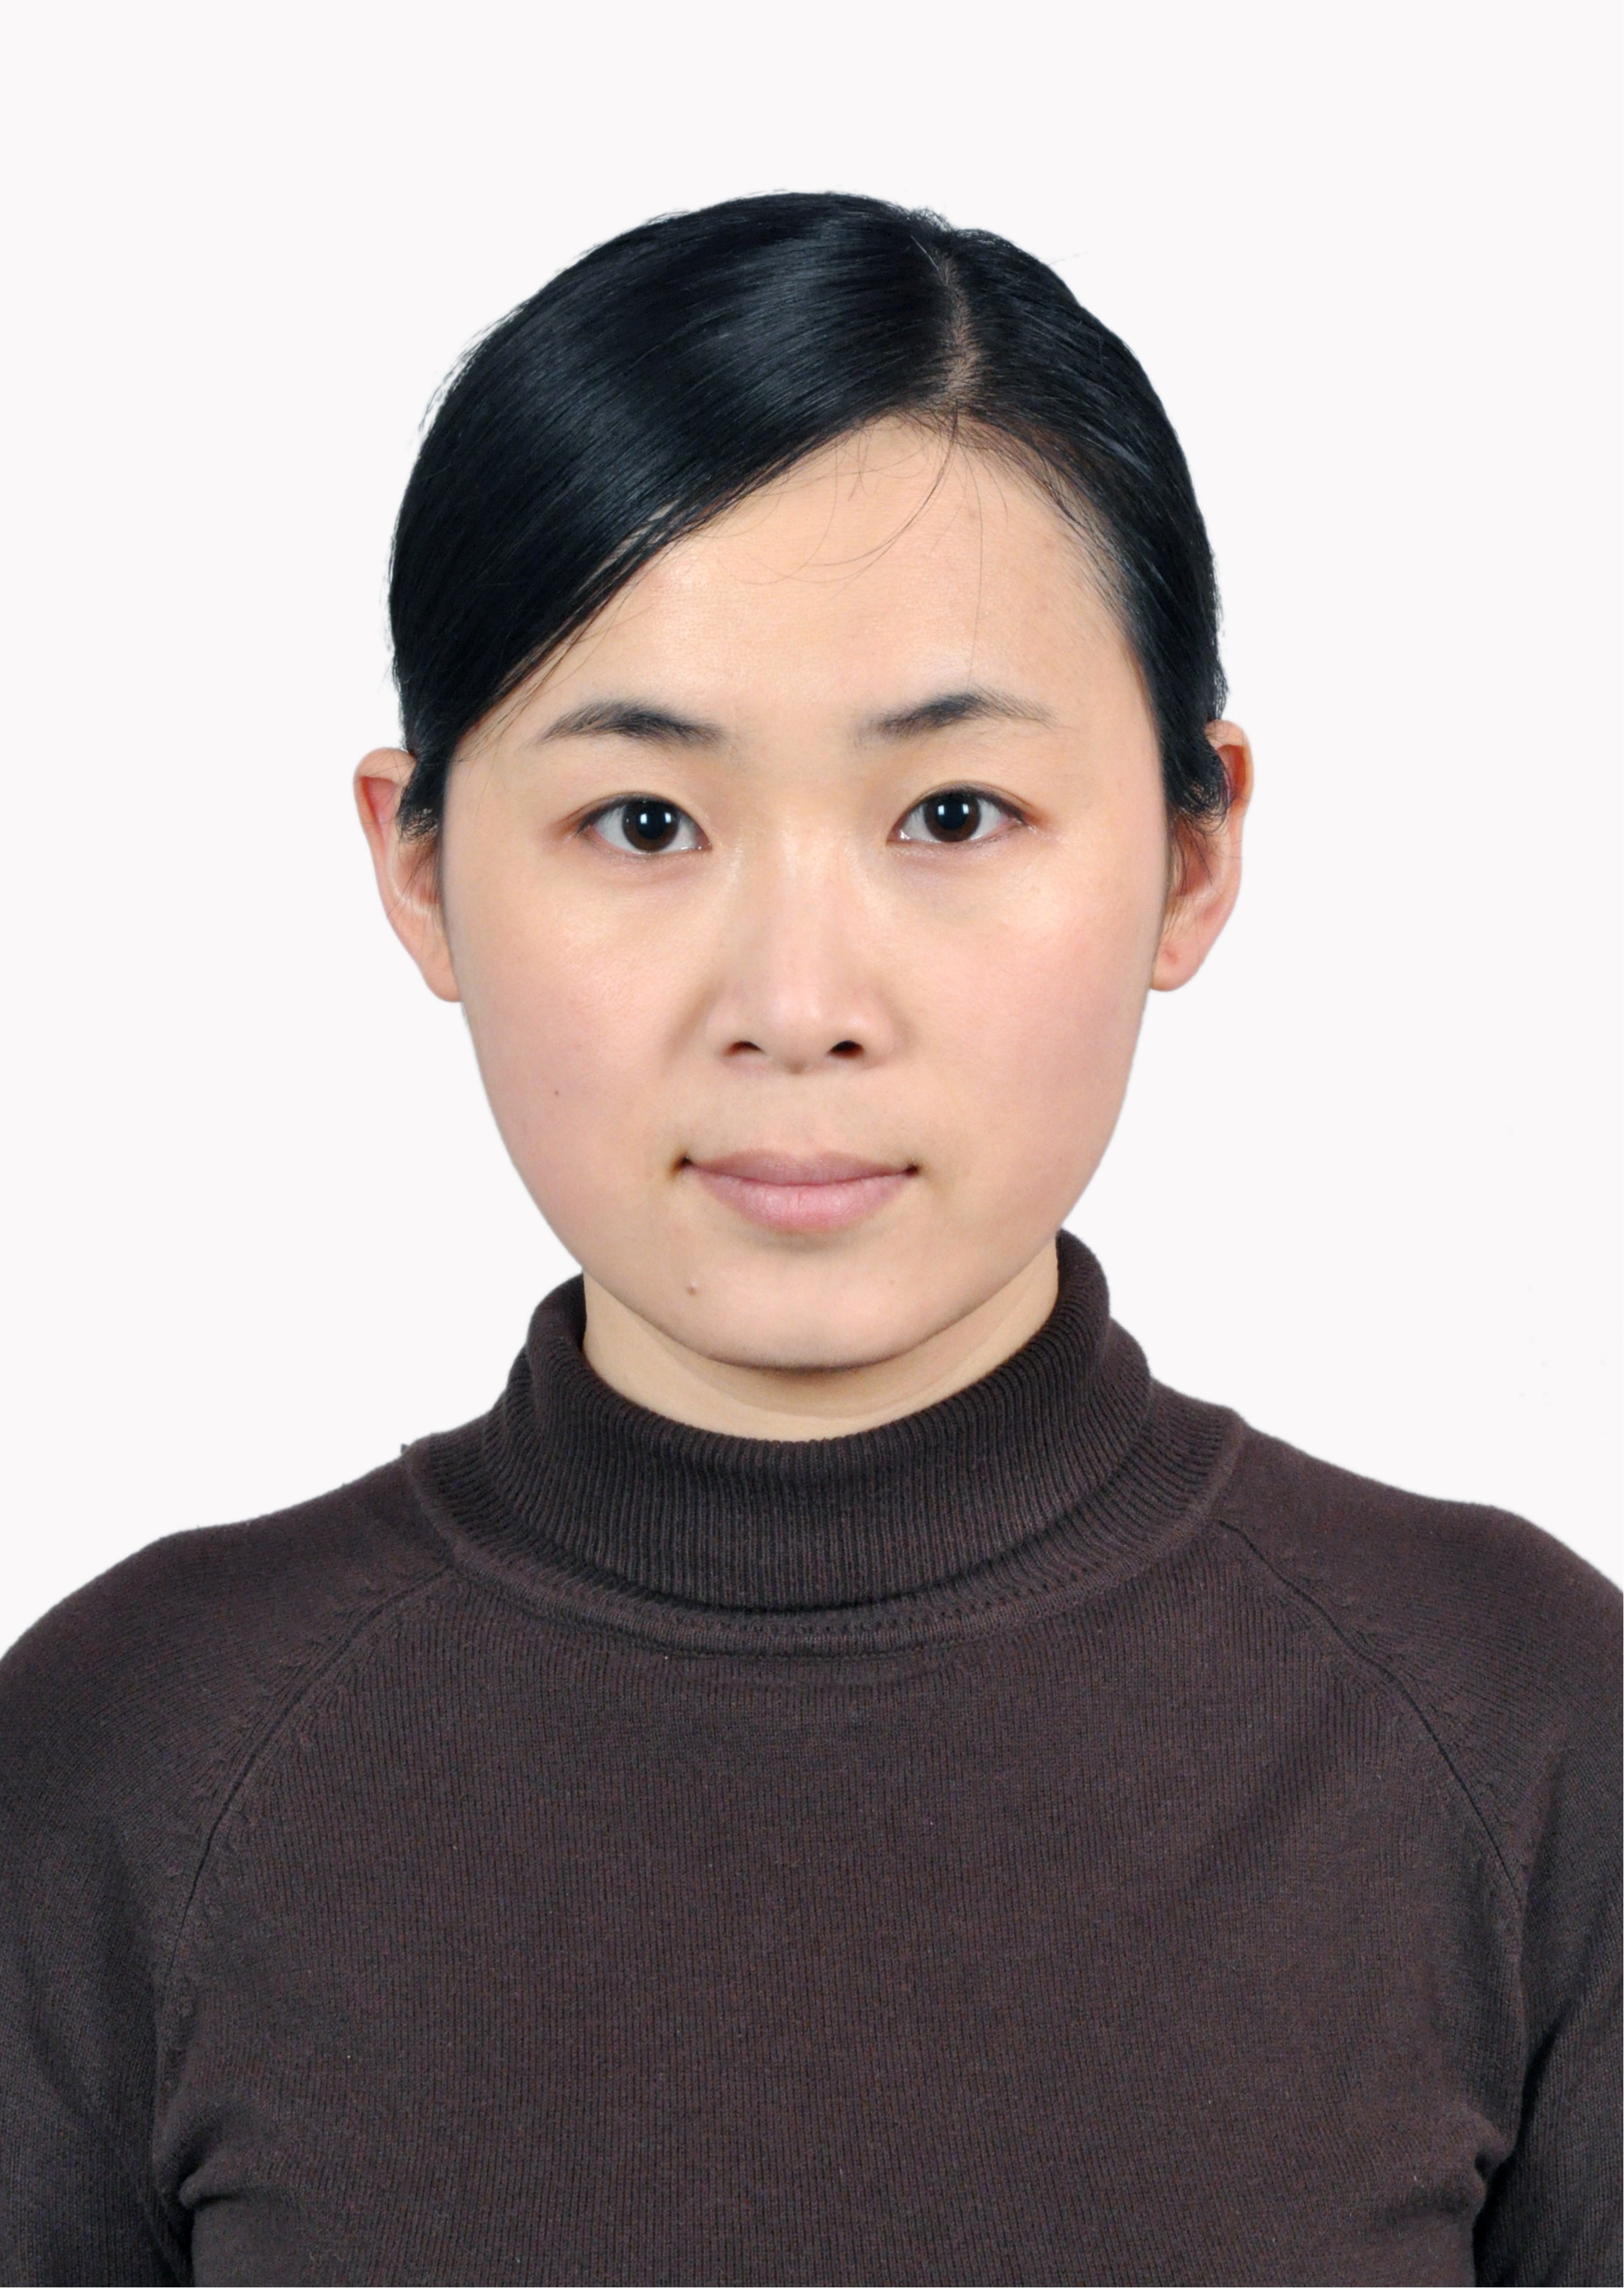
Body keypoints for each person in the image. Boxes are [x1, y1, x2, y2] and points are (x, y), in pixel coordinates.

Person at [1, 192, 1616, 2288]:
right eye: (643, 824)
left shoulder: (1523, 1736)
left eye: (951, 815)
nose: (797, 999)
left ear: (1191, 850)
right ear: (417, 869)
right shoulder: (127, 1761)